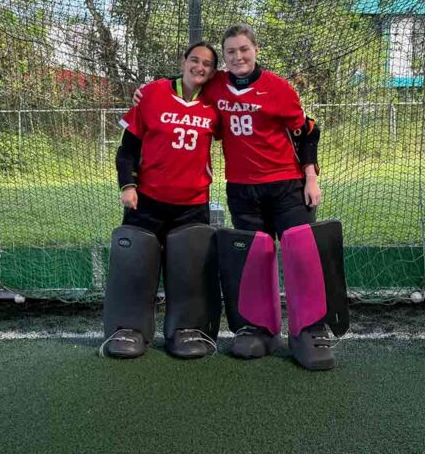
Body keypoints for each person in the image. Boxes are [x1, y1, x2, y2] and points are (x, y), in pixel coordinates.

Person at [134, 23, 343, 370]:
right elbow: (187, 80)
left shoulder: (278, 88)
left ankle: (308, 330)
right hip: (243, 190)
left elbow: (309, 130)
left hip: (287, 187)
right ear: (224, 59)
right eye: (230, 52)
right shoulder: (215, 85)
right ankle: (259, 328)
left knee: (300, 254)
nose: (238, 57)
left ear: (255, 50)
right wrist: (147, 90)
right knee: (255, 258)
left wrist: (310, 177)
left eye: (243, 49)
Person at [100, 41, 222, 361]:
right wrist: (127, 185)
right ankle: (129, 328)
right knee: (136, 267)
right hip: (148, 200)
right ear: (183, 61)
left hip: (193, 204)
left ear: (213, 71)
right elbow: (127, 150)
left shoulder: (216, 104)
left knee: (190, 270)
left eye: (207, 64)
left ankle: (188, 328)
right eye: (194, 60)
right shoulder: (152, 93)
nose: (200, 67)